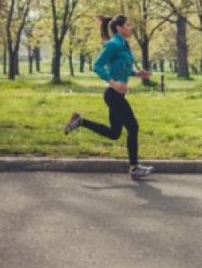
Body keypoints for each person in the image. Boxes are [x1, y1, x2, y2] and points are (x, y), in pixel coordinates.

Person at [64, 15, 153, 180]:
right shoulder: (113, 44)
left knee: (114, 133)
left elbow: (121, 66)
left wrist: (137, 73)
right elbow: (96, 65)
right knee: (133, 127)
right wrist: (113, 83)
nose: (130, 28)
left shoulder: (124, 45)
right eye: (127, 25)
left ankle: (80, 121)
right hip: (113, 94)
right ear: (119, 28)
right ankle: (134, 167)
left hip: (116, 95)